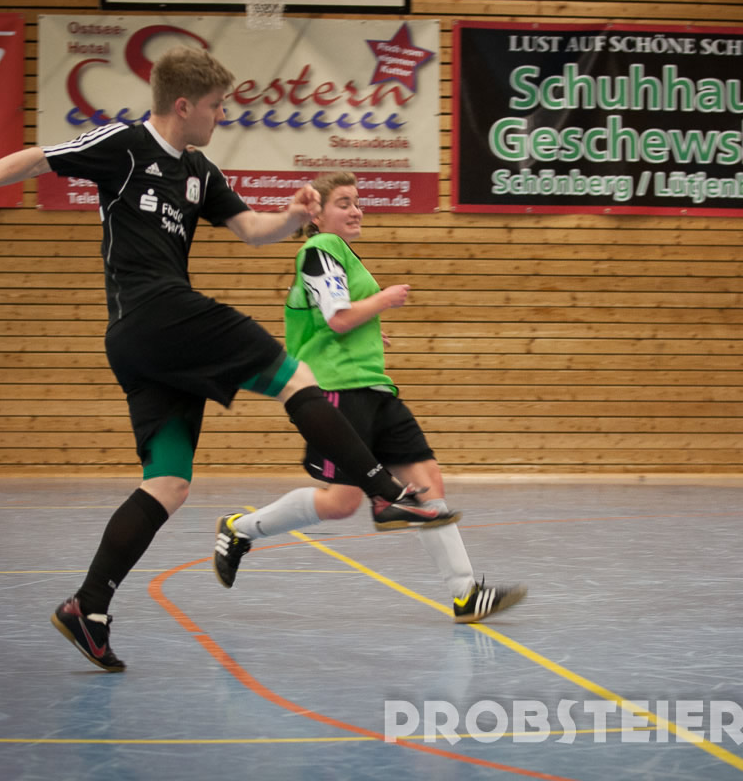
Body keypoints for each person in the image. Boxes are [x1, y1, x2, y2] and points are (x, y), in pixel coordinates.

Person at [0, 47, 455, 672]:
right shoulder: (125, 145)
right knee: (296, 377)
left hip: (148, 345)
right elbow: (39, 157)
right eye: (216, 106)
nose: (221, 116)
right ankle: (385, 491)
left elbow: (251, 230)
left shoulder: (199, 171)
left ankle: (88, 607)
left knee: (168, 483)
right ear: (183, 105)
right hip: (155, 312)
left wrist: (292, 216)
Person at [212, 171, 527, 624]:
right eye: (343, 203)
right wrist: (385, 300)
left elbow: (336, 320)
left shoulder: (342, 254)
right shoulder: (319, 249)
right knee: (341, 503)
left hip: (375, 388)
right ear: (317, 215)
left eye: (357, 202)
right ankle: (239, 528)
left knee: (427, 482)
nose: (356, 210)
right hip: (338, 392)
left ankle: (465, 593)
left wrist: (372, 331)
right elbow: (338, 318)